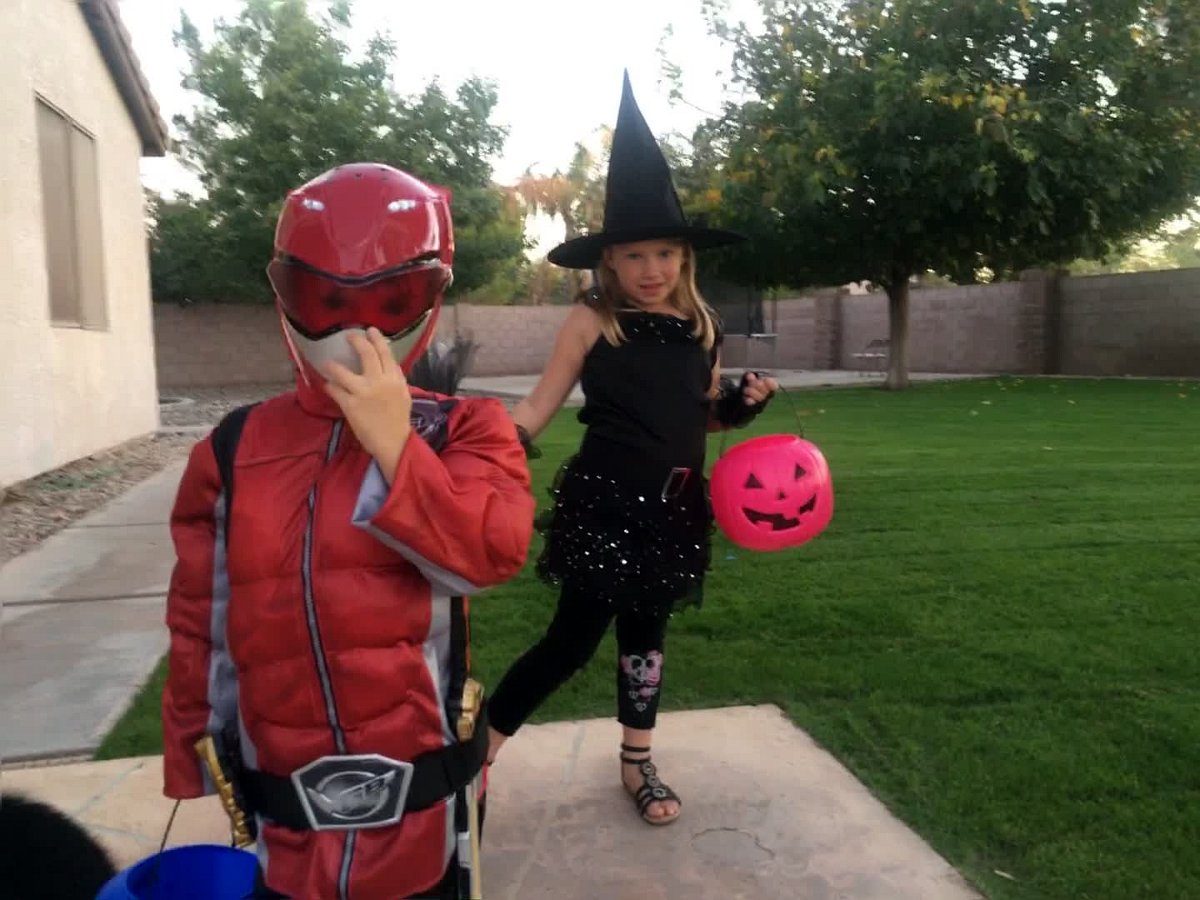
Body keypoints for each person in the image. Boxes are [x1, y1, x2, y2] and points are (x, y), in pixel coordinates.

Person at [161, 163, 534, 899]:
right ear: (286, 293)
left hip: (420, 799)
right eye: (326, 301)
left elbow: (487, 555)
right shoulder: (233, 449)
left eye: (390, 302)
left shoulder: (465, 429)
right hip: (284, 803)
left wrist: (397, 446)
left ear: (428, 297)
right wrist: (192, 753)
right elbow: (202, 616)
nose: (354, 331)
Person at [485, 74, 778, 826]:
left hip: (673, 513)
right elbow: (539, 405)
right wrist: (492, 449)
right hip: (605, 507)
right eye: (635, 255)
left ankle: (636, 763)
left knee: (645, 642)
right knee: (571, 642)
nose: (651, 269)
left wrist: (739, 408)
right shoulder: (592, 321)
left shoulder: (701, 326)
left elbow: (700, 419)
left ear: (685, 257)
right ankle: (475, 756)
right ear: (609, 262)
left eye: (665, 253)